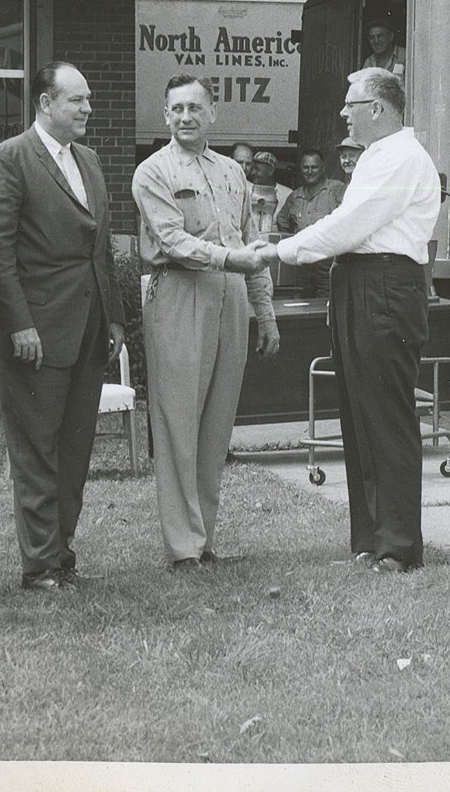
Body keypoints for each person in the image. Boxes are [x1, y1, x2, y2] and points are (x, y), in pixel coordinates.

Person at [257, 68, 438, 571]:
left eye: (350, 104)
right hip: (362, 282)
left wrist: (280, 250)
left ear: (376, 109)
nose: (344, 113)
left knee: (385, 416)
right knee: (360, 417)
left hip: (383, 284)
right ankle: (372, 540)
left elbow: (348, 226)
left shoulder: (399, 157)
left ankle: (398, 546)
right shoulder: (382, 157)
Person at [0, 61, 123, 591]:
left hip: (87, 327)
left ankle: (61, 557)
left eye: (87, 100)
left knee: (75, 448)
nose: (87, 109)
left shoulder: (89, 159)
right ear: (44, 103)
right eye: (76, 100)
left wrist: (115, 317)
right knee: (37, 450)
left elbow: (99, 247)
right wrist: (19, 324)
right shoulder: (6, 159)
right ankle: (39, 566)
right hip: (34, 332)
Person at [131, 74, 280, 569]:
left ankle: (204, 538)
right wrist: (232, 261)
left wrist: (265, 311)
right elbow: (173, 241)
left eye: (195, 107)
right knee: (178, 419)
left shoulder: (231, 173)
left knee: (216, 421)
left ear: (212, 112)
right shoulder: (152, 172)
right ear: (165, 115)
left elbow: (247, 241)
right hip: (178, 290)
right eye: (177, 109)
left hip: (231, 294)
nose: (186, 117)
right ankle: (182, 547)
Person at [276, 149, 347, 296]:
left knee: (327, 304)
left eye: (314, 167)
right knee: (301, 303)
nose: (310, 171)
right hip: (301, 264)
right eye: (305, 167)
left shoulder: (337, 189)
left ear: (322, 168)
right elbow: (282, 222)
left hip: (328, 262)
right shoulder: (294, 197)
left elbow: (345, 221)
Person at [246, 149, 282, 237]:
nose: (253, 172)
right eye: (252, 168)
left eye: (257, 169)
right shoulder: (247, 190)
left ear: (270, 171)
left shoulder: (286, 194)